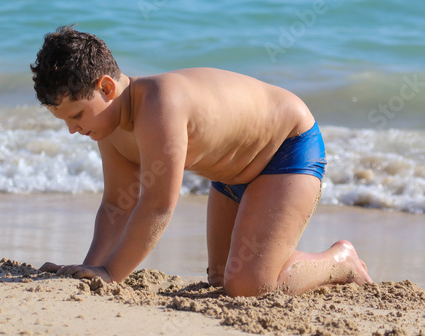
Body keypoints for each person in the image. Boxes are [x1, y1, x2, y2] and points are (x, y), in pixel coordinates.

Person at [31, 26, 372, 297]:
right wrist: (88, 268)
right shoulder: (108, 127)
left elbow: (157, 207)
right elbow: (116, 206)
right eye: (64, 121)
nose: (72, 130)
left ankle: (340, 261)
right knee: (220, 279)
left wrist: (110, 274)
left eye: (76, 115)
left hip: (286, 150)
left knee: (249, 285)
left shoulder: (159, 104)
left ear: (106, 88)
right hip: (230, 173)